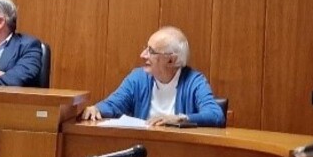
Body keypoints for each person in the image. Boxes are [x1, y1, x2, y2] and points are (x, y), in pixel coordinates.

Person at [81, 26, 224, 127]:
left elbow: (215, 115)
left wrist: (179, 119)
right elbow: (113, 105)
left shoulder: (194, 82)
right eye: (146, 48)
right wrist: (96, 108)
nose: (143, 55)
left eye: (151, 51)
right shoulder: (138, 78)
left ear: (171, 60)